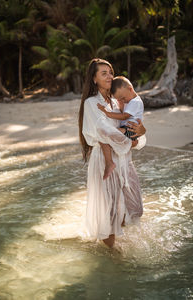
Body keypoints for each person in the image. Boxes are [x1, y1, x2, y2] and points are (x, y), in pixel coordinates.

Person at [78, 58, 146, 248]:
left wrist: (141, 132)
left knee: (134, 207)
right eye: (103, 73)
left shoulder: (119, 102)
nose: (109, 76)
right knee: (110, 212)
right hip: (104, 160)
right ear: (94, 79)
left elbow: (134, 127)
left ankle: (116, 241)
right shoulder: (92, 103)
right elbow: (104, 132)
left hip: (124, 158)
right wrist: (129, 136)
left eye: (110, 72)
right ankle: (112, 255)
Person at [97, 76, 144, 180]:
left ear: (130, 89)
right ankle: (110, 162)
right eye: (119, 99)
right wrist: (121, 104)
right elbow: (123, 112)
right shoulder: (129, 101)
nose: (123, 100)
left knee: (106, 134)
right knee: (105, 137)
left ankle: (110, 163)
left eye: (123, 98)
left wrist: (107, 113)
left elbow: (124, 116)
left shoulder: (135, 102)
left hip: (130, 131)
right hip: (127, 130)